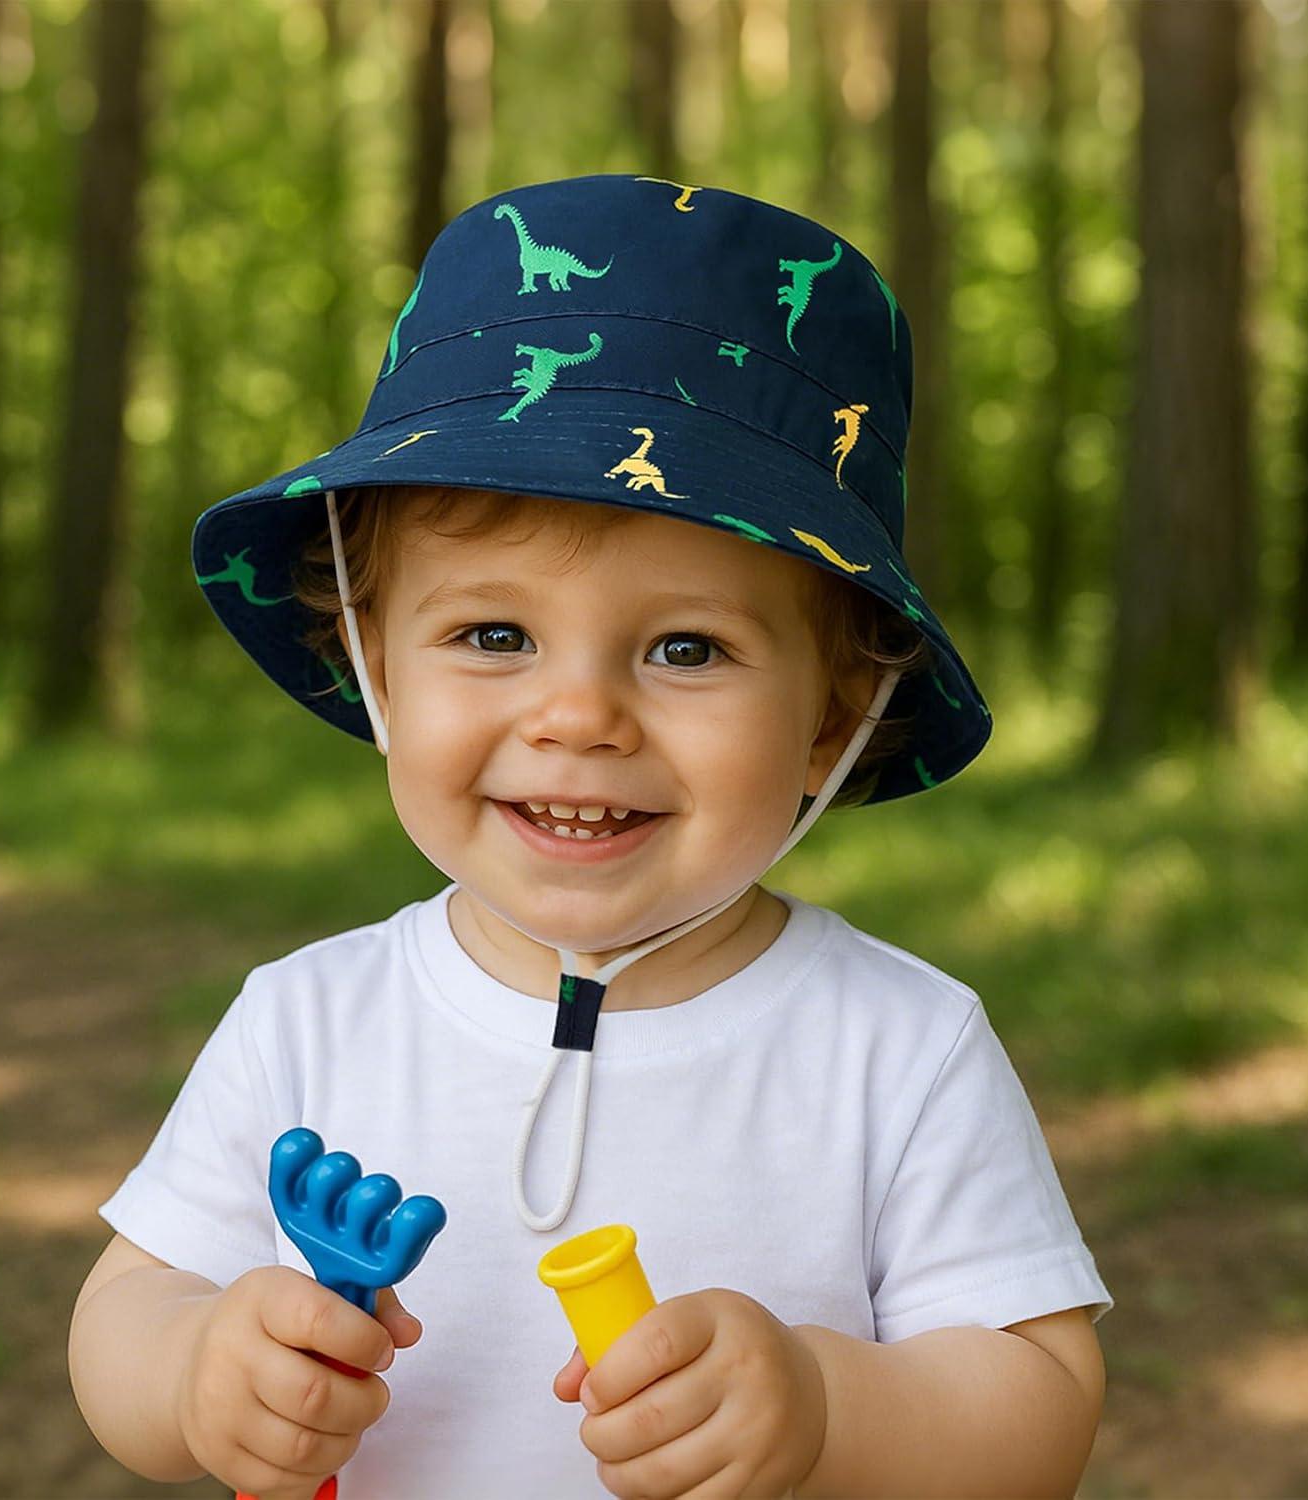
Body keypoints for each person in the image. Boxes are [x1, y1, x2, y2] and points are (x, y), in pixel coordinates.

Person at [68, 173, 1112, 1500]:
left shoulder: (897, 1050)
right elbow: (126, 1309)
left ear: (834, 715)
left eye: (689, 648)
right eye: (493, 636)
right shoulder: (309, 1020)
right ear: (373, 658)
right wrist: (197, 1368)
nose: (578, 716)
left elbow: (1039, 1410)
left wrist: (830, 1407)